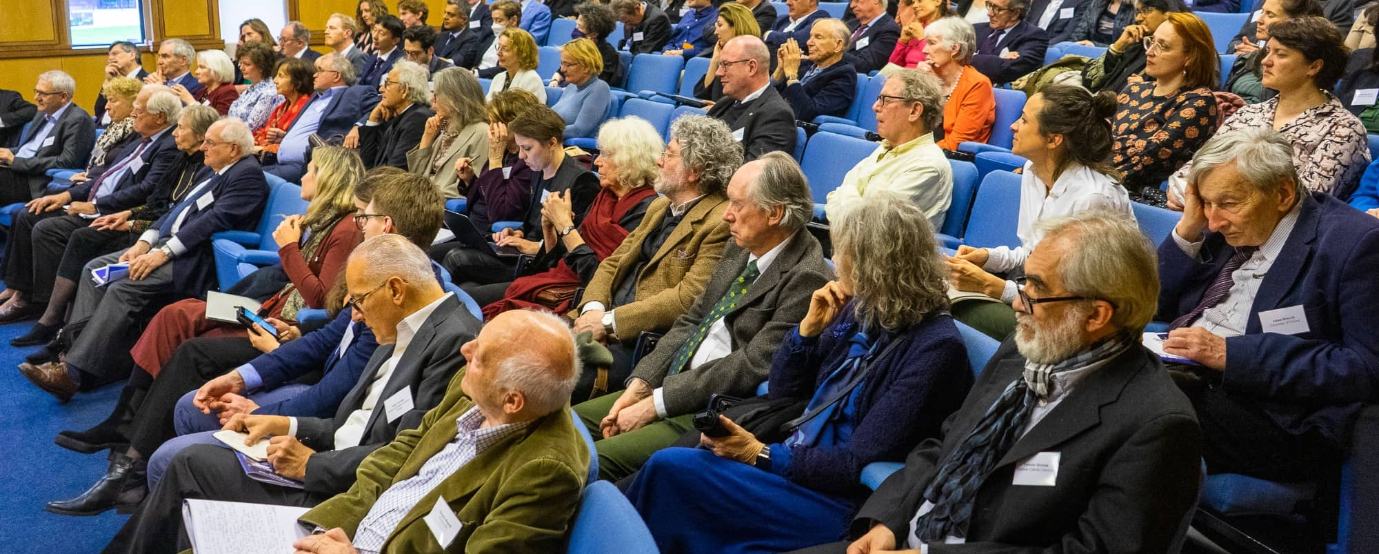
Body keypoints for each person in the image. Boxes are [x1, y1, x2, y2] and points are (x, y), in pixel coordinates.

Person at [798, 211, 1202, 554]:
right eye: (1023, 284)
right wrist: (888, 519)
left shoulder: (1156, 425)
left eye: (1035, 291)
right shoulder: (1022, 349)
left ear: (1096, 316)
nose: (1015, 302)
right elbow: (944, 444)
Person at [44, 170, 439, 515]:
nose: (358, 223)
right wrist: (240, 378)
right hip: (271, 313)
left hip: (300, 358)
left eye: (364, 217)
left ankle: (139, 475)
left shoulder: (388, 286)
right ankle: (128, 444)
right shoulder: (329, 232)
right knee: (178, 316)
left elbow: (323, 316)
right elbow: (329, 334)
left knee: (191, 358)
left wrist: (287, 250)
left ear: (384, 224)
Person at [629, 194, 974, 554]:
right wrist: (806, 333)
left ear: (877, 266)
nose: (837, 263)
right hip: (792, 457)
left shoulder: (936, 349)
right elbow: (783, 388)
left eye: (846, 254)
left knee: (671, 470)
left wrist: (760, 455)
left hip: (831, 497)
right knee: (671, 469)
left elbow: (854, 463)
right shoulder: (864, 309)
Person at [99, 234, 482, 554]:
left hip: (345, 487)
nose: (356, 315)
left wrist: (310, 464)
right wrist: (285, 422)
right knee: (190, 462)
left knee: (186, 464)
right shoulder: (400, 323)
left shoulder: (454, 342)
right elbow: (353, 419)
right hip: (328, 456)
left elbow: (409, 453)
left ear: (396, 289)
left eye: (359, 300)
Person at [574, 152, 833, 482]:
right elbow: (693, 318)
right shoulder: (741, 245)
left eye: (738, 205)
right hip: (671, 383)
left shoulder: (807, 278)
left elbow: (750, 364)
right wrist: (640, 386)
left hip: (712, 410)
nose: (726, 216)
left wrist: (657, 404)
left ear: (775, 214)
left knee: (586, 459)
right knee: (564, 424)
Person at [1159, 127, 1378, 510]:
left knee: (1136, 409)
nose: (1214, 221)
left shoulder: (1355, 245)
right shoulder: (1223, 223)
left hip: (1278, 416)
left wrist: (1232, 354)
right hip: (1189, 375)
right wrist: (1188, 229)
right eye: (1206, 203)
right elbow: (1155, 306)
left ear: (1282, 194)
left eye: (1226, 203)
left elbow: (1365, 368)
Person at [286, 309, 585, 554]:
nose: (464, 350)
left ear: (512, 401)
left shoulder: (545, 472)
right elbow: (397, 455)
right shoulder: (472, 388)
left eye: (480, 357)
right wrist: (324, 530)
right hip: (342, 534)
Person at [17, 119, 268, 400]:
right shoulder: (214, 171)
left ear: (233, 148)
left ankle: (72, 373)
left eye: (210, 142)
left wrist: (162, 253)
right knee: (93, 269)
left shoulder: (247, 176)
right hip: (165, 245)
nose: (204, 147)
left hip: (195, 258)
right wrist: (145, 241)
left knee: (124, 287)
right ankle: (70, 353)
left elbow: (213, 222)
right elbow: (175, 212)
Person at [128, 146, 365, 377]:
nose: (303, 176)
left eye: (310, 171)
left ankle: (134, 408)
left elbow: (318, 298)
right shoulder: (322, 222)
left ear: (327, 179)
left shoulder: (344, 230)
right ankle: (131, 403)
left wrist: (290, 247)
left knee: (188, 335)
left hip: (280, 319)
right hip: (268, 304)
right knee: (174, 314)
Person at [15, 106, 219, 354]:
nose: (175, 133)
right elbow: (157, 201)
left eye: (182, 128)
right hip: (147, 224)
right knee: (47, 225)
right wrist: (128, 214)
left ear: (201, 136)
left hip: (162, 239)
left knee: (84, 238)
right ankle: (57, 323)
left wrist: (132, 222)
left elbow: (176, 214)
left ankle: (60, 325)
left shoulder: (208, 168)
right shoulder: (182, 159)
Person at [568, 115, 737, 397]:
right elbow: (612, 262)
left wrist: (609, 322)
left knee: (540, 376)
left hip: (637, 345)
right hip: (597, 322)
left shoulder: (719, 223)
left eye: (668, 155)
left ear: (693, 171)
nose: (658, 161)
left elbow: (687, 298)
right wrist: (593, 310)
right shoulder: (660, 207)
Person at [0, 88, 181, 329]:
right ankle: (21, 290)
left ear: (159, 117)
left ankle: (41, 303)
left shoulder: (168, 146)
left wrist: (95, 204)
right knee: (28, 213)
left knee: (46, 229)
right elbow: (103, 177)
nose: (133, 114)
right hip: (96, 202)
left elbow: (145, 189)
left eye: (138, 110)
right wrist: (66, 195)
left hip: (116, 211)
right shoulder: (140, 140)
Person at [948, 85, 1132, 307]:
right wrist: (988, 257)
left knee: (951, 308)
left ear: (1053, 140)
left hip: (1078, 316)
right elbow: (1031, 254)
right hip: (1037, 296)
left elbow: (1068, 301)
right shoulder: (1032, 171)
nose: (1012, 126)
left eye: (1024, 120)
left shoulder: (1092, 198)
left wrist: (992, 286)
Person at [1169, 17, 1368, 204]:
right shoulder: (1249, 114)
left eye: (1280, 54)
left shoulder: (1343, 129)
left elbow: (1303, 203)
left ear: (1314, 66)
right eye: (1268, 51)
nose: (1265, 61)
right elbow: (1190, 172)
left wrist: (1211, 200)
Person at [478, 117, 663, 312]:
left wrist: (566, 227)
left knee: (475, 300)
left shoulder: (646, 209)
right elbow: (561, 261)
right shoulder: (605, 197)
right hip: (556, 281)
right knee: (469, 291)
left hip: (582, 300)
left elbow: (598, 276)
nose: (597, 161)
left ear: (631, 160)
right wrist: (549, 228)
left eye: (606, 155)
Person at [444, 105, 599, 287]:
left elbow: (574, 245)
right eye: (520, 148)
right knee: (457, 269)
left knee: (456, 259)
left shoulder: (581, 181)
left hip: (544, 265)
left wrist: (530, 246)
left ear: (551, 143)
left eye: (527, 148)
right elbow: (531, 221)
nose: (521, 156)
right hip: (524, 252)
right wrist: (518, 232)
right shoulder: (538, 169)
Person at [826, 69, 953, 227]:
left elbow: (871, 224)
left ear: (914, 110)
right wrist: (850, 199)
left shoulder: (929, 165)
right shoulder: (885, 148)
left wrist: (846, 195)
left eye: (885, 99)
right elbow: (833, 198)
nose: (875, 107)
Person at [1111, 12, 1218, 197]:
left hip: (1134, 196)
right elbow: (1097, 139)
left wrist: (1101, 152)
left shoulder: (1198, 101)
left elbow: (1145, 158)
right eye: (1152, 41)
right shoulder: (1134, 90)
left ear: (1189, 57)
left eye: (1163, 46)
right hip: (1100, 183)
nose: (1149, 51)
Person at [433, 89, 541, 246]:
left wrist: (495, 161)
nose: (490, 129)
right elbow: (485, 195)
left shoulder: (527, 162)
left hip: (493, 237)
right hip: (472, 228)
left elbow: (501, 213)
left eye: (495, 124)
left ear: (514, 125)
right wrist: (470, 180)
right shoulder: (504, 151)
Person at [263, 53, 382, 182]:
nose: (314, 75)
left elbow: (379, 106)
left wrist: (358, 126)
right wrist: (285, 136)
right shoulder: (315, 96)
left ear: (336, 75)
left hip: (309, 164)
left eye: (319, 70)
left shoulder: (356, 93)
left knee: (252, 178)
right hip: (279, 161)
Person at [0, 71, 96, 206]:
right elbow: (30, 149)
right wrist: (7, 154)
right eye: (36, 91)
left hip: (33, 180)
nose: (36, 97)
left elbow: (67, 162)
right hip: (14, 169)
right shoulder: (42, 113)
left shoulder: (77, 120)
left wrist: (15, 161)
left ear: (63, 97)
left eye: (43, 94)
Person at [707, 36, 798, 161]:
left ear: (751, 67)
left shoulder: (777, 116)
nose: (718, 72)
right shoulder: (726, 102)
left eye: (725, 65)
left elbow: (751, 175)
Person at [407, 67, 490, 198]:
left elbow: (475, 186)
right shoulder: (449, 129)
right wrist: (427, 138)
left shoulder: (481, 132)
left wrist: (427, 194)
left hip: (439, 202)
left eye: (436, 94)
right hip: (422, 197)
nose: (432, 99)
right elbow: (415, 177)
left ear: (455, 99)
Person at [1223, 0, 1324, 104]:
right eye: (1262, 12)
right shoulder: (1247, 59)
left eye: (1270, 15)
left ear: (1295, 21)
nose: (1259, 20)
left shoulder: (1298, 69)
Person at [1080, 0, 1186, 95]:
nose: (1138, 18)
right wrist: (1118, 46)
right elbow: (1089, 81)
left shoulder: (1177, 53)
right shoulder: (1136, 43)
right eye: (1138, 11)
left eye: (1145, 10)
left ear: (1168, 14)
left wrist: (1148, 89)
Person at [924, 16, 996, 150]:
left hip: (949, 160)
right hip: (921, 152)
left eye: (932, 43)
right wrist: (917, 81)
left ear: (954, 49)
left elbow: (956, 144)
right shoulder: (927, 78)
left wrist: (911, 152)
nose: (924, 50)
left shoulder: (977, 85)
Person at [773, 18, 858, 121]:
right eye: (810, 36)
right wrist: (780, 69)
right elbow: (767, 97)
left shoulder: (844, 75)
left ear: (838, 45)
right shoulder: (804, 65)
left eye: (818, 37)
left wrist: (791, 75)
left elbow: (808, 113)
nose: (809, 42)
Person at [358, 60, 436, 169]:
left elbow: (395, 171)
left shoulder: (417, 119)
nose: (381, 89)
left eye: (388, 83)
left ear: (405, 90)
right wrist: (372, 121)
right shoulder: (398, 117)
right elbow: (367, 164)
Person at [694, 2, 762, 102]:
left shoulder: (756, 57)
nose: (715, 32)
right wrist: (715, 60)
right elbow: (704, 94)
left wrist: (718, 108)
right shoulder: (724, 54)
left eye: (720, 25)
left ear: (736, 27)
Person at [971, 0, 1049, 86]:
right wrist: (999, 60)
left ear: (1015, 14)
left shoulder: (1034, 36)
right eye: (990, 5)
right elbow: (953, 58)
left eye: (997, 9)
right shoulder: (975, 29)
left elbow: (1006, 69)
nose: (989, 13)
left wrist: (968, 57)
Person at [550, 38, 613, 139]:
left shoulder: (599, 88)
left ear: (586, 67)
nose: (562, 69)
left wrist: (541, 132)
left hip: (573, 150)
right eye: (562, 63)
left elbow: (579, 131)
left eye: (568, 64)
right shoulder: (571, 86)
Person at [254, 58, 316, 156]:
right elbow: (264, 133)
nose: (275, 81)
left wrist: (261, 148)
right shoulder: (282, 107)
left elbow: (297, 144)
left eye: (281, 76)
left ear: (298, 82)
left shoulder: (308, 107)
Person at [228, 42, 283, 132]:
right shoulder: (250, 90)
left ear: (262, 66)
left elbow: (251, 127)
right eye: (240, 63)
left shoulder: (269, 93)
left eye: (247, 64)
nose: (241, 68)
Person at [884, 0, 951, 70]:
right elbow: (891, 67)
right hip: (904, 76)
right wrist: (902, 42)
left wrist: (922, 38)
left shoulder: (949, 29)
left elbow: (939, 65)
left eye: (920, 1)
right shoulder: (916, 29)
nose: (914, 6)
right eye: (913, 2)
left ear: (937, 1)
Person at [488, 28, 549, 103]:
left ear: (522, 53)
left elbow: (532, 113)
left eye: (505, 48)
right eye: (498, 47)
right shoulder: (498, 78)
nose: (498, 53)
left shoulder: (531, 79)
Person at [574, 2, 627, 86]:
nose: (576, 29)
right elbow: (563, 70)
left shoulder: (607, 53)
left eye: (580, 26)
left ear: (594, 34)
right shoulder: (576, 46)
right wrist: (555, 80)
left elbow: (599, 82)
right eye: (576, 24)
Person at [96, 41, 148, 125]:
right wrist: (108, 81)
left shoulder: (147, 80)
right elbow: (98, 111)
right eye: (109, 55)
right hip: (102, 128)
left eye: (115, 54)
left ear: (132, 55)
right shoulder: (115, 80)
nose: (110, 58)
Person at [172, 50, 239, 115]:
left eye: (202, 67)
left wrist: (191, 101)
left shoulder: (227, 91)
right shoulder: (203, 91)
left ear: (216, 70)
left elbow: (219, 121)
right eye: (198, 67)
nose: (196, 72)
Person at [843, 0, 902, 74]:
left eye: (856, 0)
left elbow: (866, 65)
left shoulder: (889, 30)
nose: (852, 5)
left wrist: (836, 53)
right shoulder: (850, 24)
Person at [476, 1, 523, 79]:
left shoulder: (521, 42)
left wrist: (477, 73)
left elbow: (505, 68)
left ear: (513, 20)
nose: (494, 25)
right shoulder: (488, 35)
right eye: (493, 20)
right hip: (474, 77)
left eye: (499, 20)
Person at [360, 15, 407, 87]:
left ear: (395, 40)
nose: (375, 36)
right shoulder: (371, 59)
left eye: (381, 33)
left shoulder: (400, 62)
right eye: (374, 30)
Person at [765, 0, 829, 53]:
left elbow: (799, 40)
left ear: (812, 1)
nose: (788, 3)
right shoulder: (781, 19)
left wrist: (769, 34)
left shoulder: (820, 18)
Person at [436, 0, 486, 68]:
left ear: (464, 19)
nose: (445, 17)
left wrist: (443, 62)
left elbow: (461, 58)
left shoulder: (472, 38)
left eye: (451, 15)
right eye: (445, 13)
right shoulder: (441, 36)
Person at [1069, 0, 1135, 46]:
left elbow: (1129, 47)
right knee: (1062, 47)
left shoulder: (1135, 8)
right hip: (1089, 47)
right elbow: (1080, 31)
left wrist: (1095, 45)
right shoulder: (1098, 3)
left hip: (1115, 55)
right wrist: (1073, 44)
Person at [1024, 0, 1090, 45]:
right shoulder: (1040, 1)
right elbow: (1025, 25)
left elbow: (1068, 34)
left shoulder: (1081, 2)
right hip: (1026, 43)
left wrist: (1042, 46)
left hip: (1051, 45)